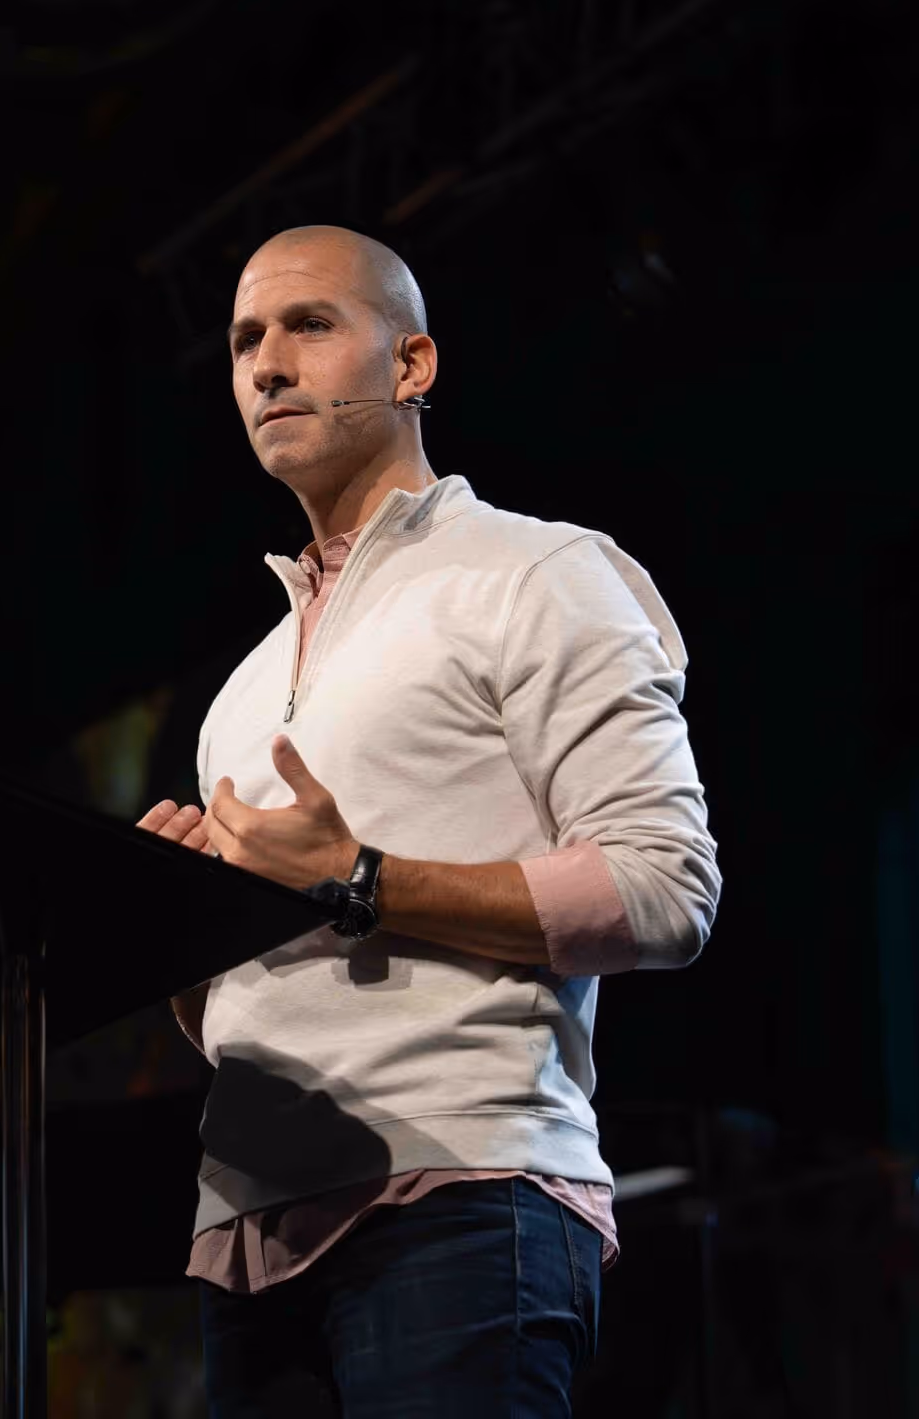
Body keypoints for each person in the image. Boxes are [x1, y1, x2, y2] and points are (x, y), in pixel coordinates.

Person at [134, 224, 721, 1417]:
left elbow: (667, 890)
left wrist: (359, 875)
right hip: (248, 1232)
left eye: (308, 325)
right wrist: (173, 935)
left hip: (462, 1198)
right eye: (245, 338)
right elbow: (241, 1014)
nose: (265, 365)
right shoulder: (242, 690)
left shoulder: (537, 572)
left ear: (413, 367)